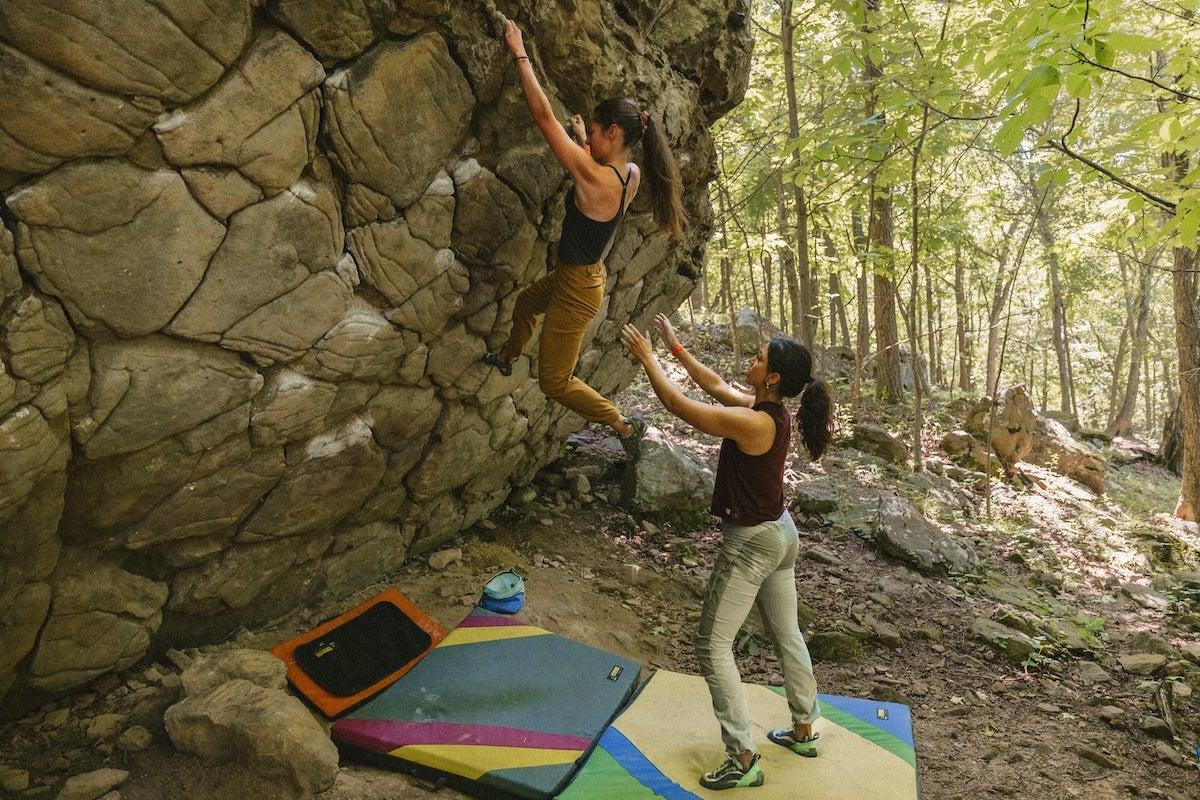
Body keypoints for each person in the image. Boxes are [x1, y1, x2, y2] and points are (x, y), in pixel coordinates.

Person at [621, 314, 832, 791]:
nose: (750, 362)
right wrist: (674, 349)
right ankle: (804, 727)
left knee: (712, 645)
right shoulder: (766, 411)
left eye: (759, 360)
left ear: (773, 377)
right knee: (786, 633)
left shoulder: (754, 422)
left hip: (754, 543)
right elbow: (713, 384)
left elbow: (679, 405)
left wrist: (648, 360)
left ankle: (741, 757)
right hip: (781, 534)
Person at [483, 20, 686, 445]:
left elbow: (542, 116)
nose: (588, 136)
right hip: (582, 275)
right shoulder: (628, 173)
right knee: (525, 303)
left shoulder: (593, 176)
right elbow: (595, 160)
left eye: (594, 130)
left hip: (577, 289)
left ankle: (620, 422)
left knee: (553, 382)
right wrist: (582, 138)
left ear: (614, 132)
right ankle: (507, 355)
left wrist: (520, 52)